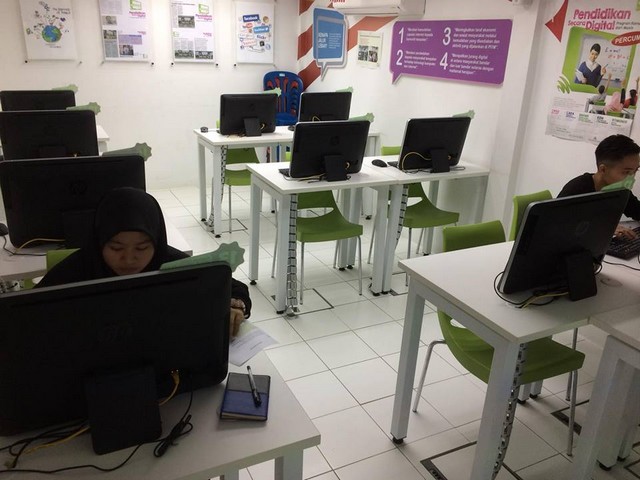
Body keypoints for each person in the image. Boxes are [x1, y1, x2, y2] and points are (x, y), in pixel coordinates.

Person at [37, 187, 251, 336]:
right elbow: (27, 310)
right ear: (99, 242)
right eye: (116, 248)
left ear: (156, 242)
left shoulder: (169, 262)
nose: (129, 259)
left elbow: (231, 286)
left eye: (141, 248)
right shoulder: (77, 268)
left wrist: (235, 305)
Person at [558, 134, 640, 239]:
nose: (632, 178)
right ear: (603, 169)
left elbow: (637, 211)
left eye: (636, 170)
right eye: (626, 172)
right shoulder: (577, 189)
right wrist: (604, 228)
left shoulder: (620, 190)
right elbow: (557, 227)